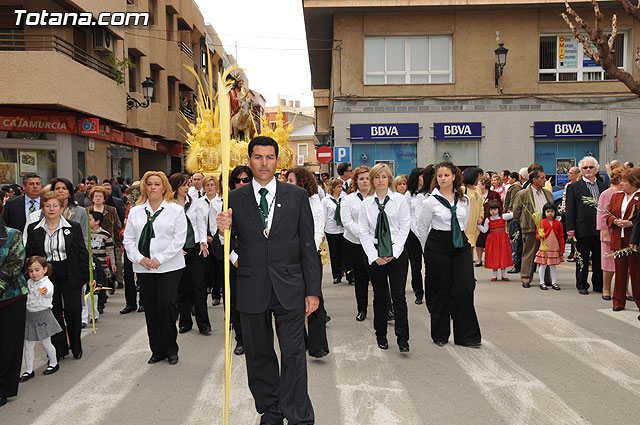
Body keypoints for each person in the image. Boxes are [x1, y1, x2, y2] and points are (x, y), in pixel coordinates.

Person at [215, 136, 321, 425]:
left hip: (290, 287)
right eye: (258, 157)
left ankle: (298, 413)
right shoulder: (233, 199)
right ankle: (271, 410)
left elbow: (308, 247)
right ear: (249, 161)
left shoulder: (296, 196)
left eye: (269, 157)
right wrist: (221, 230)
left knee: (294, 354)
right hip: (252, 287)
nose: (264, 163)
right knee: (259, 356)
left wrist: (313, 291)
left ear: (277, 161)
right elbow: (220, 251)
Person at [123, 172, 187, 365]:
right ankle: (157, 350)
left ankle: (171, 348)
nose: (152, 187)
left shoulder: (175, 210)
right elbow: (128, 239)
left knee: (166, 305)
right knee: (151, 309)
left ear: (164, 187)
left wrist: (159, 258)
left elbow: (179, 239)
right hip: (144, 268)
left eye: (156, 184)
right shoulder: (135, 211)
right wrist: (140, 258)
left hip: (169, 266)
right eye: (149, 184)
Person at [417, 161, 481, 348]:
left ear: (454, 177)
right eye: (439, 176)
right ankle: (440, 334)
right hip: (437, 244)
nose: (443, 178)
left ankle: (467, 336)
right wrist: (426, 250)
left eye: (446, 175)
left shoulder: (464, 200)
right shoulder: (430, 201)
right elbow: (422, 228)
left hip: (459, 243)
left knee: (465, 286)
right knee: (441, 290)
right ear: (436, 179)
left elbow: (464, 221)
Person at [25, 191, 89, 360]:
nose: (51, 209)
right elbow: (30, 254)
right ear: (43, 208)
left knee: (73, 310)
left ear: (62, 208)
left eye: (55, 205)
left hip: (70, 272)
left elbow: (82, 253)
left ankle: (76, 345)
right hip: (46, 274)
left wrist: (85, 277)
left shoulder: (73, 227)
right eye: (47, 206)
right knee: (52, 312)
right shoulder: (34, 229)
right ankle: (59, 349)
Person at [359, 164, 410, 352]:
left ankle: (403, 338)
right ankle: (381, 335)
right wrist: (374, 256)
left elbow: (405, 227)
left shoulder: (399, 200)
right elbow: (363, 232)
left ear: (390, 179)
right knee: (380, 297)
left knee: (399, 296)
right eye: (377, 177)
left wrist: (394, 253)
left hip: (396, 253)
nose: (380, 180)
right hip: (375, 253)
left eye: (384, 177)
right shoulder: (366, 204)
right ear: (372, 180)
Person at [287, 167, 329, 359]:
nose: (287, 184)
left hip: (310, 257)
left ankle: (318, 344)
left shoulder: (315, 203)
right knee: (293, 300)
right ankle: (301, 340)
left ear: (301, 182)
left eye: (291, 180)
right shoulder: (285, 201)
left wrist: (304, 253)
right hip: (290, 258)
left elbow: (317, 232)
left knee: (314, 298)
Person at [169, 173, 211, 336]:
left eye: (188, 184)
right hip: (178, 251)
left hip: (195, 249)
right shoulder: (169, 205)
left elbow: (200, 223)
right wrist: (176, 248)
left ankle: (204, 323)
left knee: (199, 286)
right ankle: (185, 321)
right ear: (175, 187)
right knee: (182, 287)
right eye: (184, 185)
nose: (187, 187)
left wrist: (203, 242)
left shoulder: (195, 203)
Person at [565, 156, 608, 295]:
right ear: (581, 171)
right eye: (585, 168)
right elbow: (570, 210)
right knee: (582, 258)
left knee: (598, 258)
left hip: (600, 229)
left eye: (591, 167)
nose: (588, 170)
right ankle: (582, 284)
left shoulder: (603, 187)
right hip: (582, 228)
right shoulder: (574, 187)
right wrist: (570, 229)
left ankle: (598, 284)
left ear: (596, 169)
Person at [0, 201, 29, 407]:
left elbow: (14, 265)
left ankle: (3, 389)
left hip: (10, 297)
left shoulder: (12, 234)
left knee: (7, 346)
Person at [19, 256, 63, 383]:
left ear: (45, 269)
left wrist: (45, 292)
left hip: (43, 314)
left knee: (46, 342)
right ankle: (28, 370)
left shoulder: (47, 283)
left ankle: (54, 363)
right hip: (30, 315)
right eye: (31, 271)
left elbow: (49, 291)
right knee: (28, 344)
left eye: (37, 270)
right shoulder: (29, 283)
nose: (34, 274)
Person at [512, 169, 554, 288]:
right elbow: (516, 213)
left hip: (546, 229)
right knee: (529, 253)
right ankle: (526, 277)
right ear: (534, 179)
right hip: (530, 229)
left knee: (546, 253)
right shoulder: (523, 194)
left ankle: (547, 279)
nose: (545, 180)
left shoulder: (547, 194)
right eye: (542, 178)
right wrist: (524, 223)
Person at [606, 166, 640, 311]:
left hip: (633, 239)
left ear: (634, 182)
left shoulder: (638, 197)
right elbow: (607, 214)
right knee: (620, 272)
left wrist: (630, 223)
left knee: (636, 273)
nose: (621, 184)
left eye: (625, 181)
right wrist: (614, 221)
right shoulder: (616, 196)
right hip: (618, 238)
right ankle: (618, 302)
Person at [341, 165, 371, 321]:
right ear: (356, 181)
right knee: (361, 278)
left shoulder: (377, 197)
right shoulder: (348, 199)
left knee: (380, 277)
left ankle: (387, 308)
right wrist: (363, 235)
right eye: (361, 179)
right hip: (355, 243)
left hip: (375, 243)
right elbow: (347, 221)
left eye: (367, 178)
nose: (365, 181)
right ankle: (362, 309)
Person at [87, 186, 123, 289]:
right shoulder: (87, 210)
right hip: (93, 242)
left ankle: (112, 280)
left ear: (104, 198)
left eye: (100, 196)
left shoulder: (111, 210)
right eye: (96, 196)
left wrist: (119, 241)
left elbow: (117, 226)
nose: (98, 198)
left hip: (109, 240)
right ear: (92, 198)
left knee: (113, 262)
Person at [597, 167, 623, 301]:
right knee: (608, 262)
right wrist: (605, 232)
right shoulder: (606, 194)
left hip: (623, 231)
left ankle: (624, 290)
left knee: (625, 262)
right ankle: (606, 288)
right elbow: (601, 214)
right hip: (610, 232)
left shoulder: (627, 193)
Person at [198, 174, 223, 307]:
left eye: (212, 185)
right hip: (205, 239)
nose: (210, 187)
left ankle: (216, 295)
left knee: (218, 269)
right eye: (207, 185)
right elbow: (199, 222)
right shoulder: (199, 202)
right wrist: (205, 237)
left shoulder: (222, 200)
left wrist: (216, 237)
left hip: (218, 238)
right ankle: (209, 287)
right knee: (208, 269)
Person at [119, 185, 144, 314]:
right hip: (130, 244)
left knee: (141, 274)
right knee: (128, 274)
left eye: (131, 196)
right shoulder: (129, 208)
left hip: (141, 244)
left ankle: (143, 302)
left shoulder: (144, 208)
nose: (129, 198)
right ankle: (130, 303)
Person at [86, 211, 116, 317]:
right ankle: (92, 306)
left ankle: (100, 303)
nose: (88, 221)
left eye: (90, 219)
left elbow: (110, 250)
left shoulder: (105, 234)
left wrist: (112, 264)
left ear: (97, 221)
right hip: (90, 263)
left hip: (102, 264)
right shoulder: (86, 234)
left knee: (101, 284)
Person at [476, 200, 514, 281]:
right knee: (494, 256)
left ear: (499, 209)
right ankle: (494, 275)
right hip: (493, 240)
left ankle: (504, 274)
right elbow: (484, 230)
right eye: (491, 210)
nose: (493, 211)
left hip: (503, 239)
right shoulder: (488, 220)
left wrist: (512, 211)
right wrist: (478, 225)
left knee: (503, 255)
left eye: (495, 209)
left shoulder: (503, 216)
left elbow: (513, 214)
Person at [405, 167, 426, 305]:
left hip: (427, 231)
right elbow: (407, 215)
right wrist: (416, 231)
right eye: (421, 175)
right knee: (415, 264)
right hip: (412, 233)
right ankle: (418, 292)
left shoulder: (427, 193)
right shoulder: (409, 194)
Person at [534, 203, 564, 291]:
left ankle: (554, 282)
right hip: (545, 247)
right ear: (544, 213)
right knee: (543, 265)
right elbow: (537, 236)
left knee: (553, 265)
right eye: (548, 211)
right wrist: (539, 235)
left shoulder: (558, 223)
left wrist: (562, 248)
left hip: (554, 247)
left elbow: (561, 236)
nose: (550, 213)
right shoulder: (542, 223)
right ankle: (541, 282)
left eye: (552, 211)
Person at [322, 178, 347, 284]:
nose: (340, 189)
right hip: (331, 229)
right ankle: (336, 275)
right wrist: (322, 230)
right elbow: (324, 216)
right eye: (338, 187)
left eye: (341, 187)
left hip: (343, 229)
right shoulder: (326, 200)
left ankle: (346, 271)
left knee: (344, 252)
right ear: (332, 188)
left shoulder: (344, 197)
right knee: (334, 253)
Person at [475, 175, 502, 267]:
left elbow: (499, 206)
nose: (477, 185)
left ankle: (493, 259)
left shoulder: (494, 195)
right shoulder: (477, 195)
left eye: (478, 184)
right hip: (479, 220)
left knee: (492, 241)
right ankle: (479, 260)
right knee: (479, 241)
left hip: (492, 220)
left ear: (484, 185)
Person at [504, 170, 524, 274]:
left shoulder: (515, 187)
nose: (508, 180)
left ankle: (516, 263)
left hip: (513, 216)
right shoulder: (514, 186)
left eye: (510, 178)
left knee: (515, 239)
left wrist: (511, 209)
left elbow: (513, 200)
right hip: (511, 214)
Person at [461, 168, 483, 258]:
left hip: (476, 222)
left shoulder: (478, 189)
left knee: (473, 244)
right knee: (467, 244)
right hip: (467, 221)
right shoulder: (462, 189)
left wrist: (481, 217)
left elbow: (481, 205)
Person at [562, 166, 581, 262]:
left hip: (573, 213)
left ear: (577, 174)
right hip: (565, 211)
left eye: (571, 173)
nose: (568, 175)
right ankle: (566, 252)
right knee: (565, 232)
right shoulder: (568, 185)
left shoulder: (578, 185)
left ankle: (575, 253)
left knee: (575, 234)